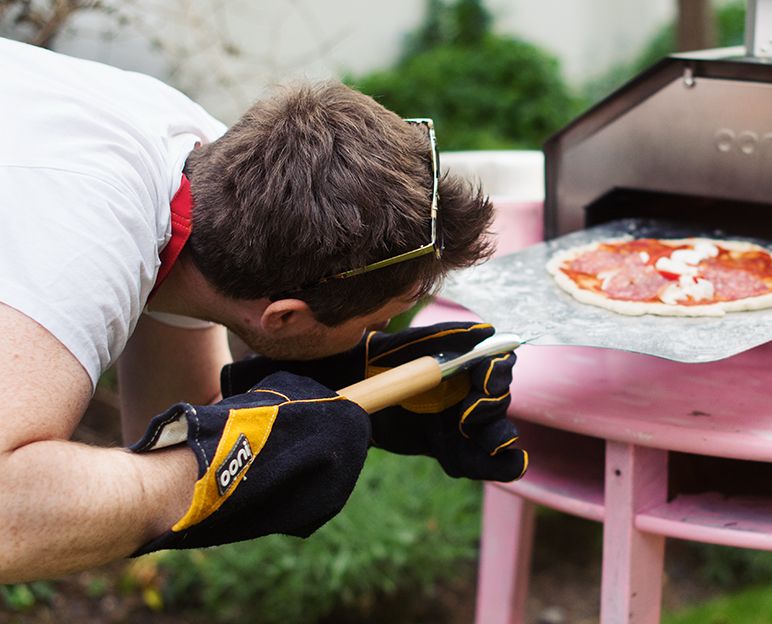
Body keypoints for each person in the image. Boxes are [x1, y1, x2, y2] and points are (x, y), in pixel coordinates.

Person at [0, 36, 526, 582]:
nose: (380, 333)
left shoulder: (207, 169)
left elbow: (166, 421)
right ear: (285, 317)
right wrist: (214, 472)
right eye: (375, 323)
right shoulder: (82, 239)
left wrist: (344, 392)